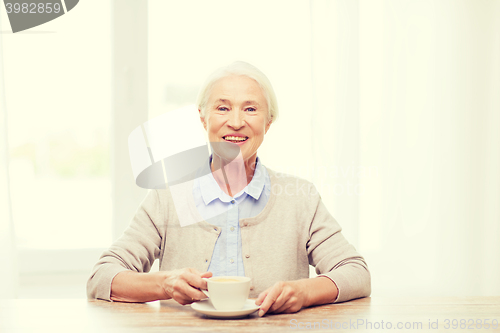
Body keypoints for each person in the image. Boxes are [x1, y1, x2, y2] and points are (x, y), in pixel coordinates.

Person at [87, 61, 370, 316]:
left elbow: (356, 273)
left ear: (268, 122)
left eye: (250, 109)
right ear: (203, 119)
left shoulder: (300, 198)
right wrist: (165, 283)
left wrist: (304, 292)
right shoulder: (168, 197)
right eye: (222, 108)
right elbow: (102, 277)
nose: (236, 122)